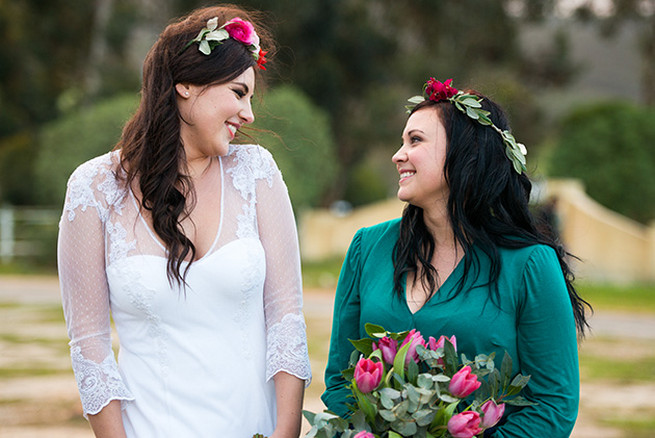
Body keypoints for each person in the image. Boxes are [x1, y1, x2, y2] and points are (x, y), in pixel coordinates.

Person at [57, 5, 311, 437]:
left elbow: (287, 320)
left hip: (255, 427)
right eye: (238, 92)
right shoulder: (94, 189)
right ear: (186, 86)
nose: (248, 114)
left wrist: (284, 435)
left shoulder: (257, 174)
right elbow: (90, 346)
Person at [322, 78, 590, 437]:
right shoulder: (366, 248)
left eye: (415, 141)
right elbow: (340, 379)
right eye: (402, 141)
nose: (397, 154)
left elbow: (553, 406)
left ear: (465, 154)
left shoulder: (530, 264)